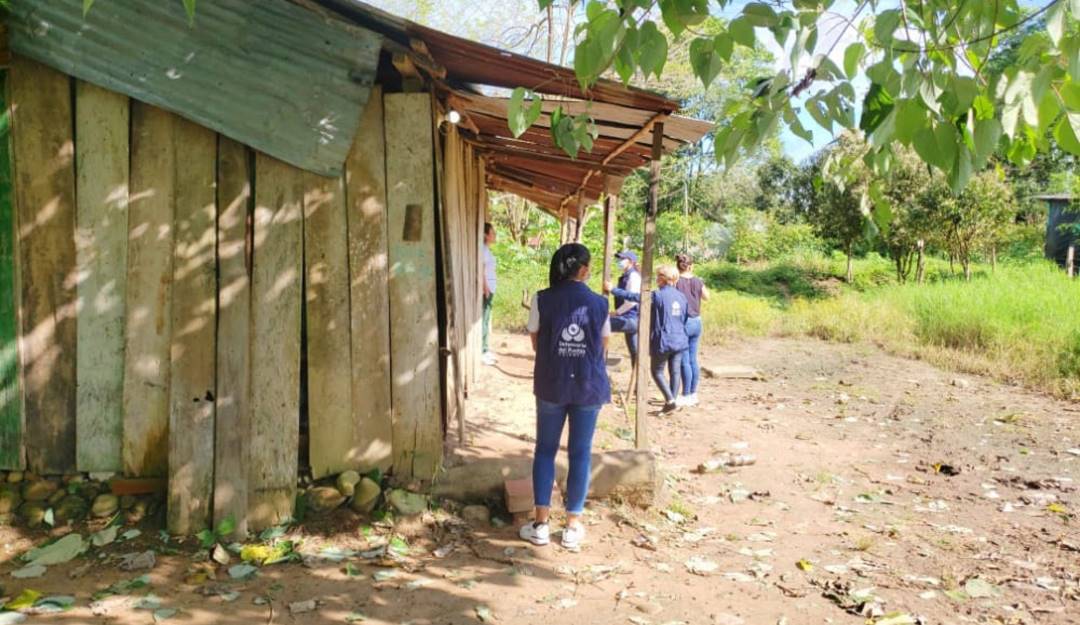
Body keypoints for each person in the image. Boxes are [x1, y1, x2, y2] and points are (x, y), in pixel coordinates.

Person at [520, 243, 611, 551]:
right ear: (583, 270)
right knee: (580, 453)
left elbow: (536, 343)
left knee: (545, 450)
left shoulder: (541, 299)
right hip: (588, 387)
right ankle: (572, 527)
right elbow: (603, 347)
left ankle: (541, 525)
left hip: (551, 385)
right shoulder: (600, 303)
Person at [649, 265, 689, 413]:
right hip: (680, 339)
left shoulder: (657, 295)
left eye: (658, 275)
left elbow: (637, 298)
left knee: (656, 371)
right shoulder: (682, 296)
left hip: (663, 340)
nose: (656, 278)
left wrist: (615, 291)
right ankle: (671, 403)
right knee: (675, 371)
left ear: (663, 278)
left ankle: (670, 400)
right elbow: (684, 317)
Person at [674, 253, 709, 407]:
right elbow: (707, 297)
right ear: (691, 266)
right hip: (697, 321)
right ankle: (694, 393)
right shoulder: (698, 281)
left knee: (684, 360)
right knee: (693, 359)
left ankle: (686, 394)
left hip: (683, 322)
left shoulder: (676, 282)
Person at [604, 250, 642, 367]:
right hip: (630, 317)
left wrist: (616, 312)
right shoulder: (627, 276)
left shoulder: (634, 276)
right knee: (635, 352)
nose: (619, 261)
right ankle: (638, 377)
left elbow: (632, 301)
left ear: (630, 262)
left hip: (631, 318)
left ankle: (600, 361)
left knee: (602, 324)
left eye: (622, 259)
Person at [481, 223, 497, 366]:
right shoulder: (483, 250)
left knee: (486, 319)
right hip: (487, 289)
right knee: (484, 319)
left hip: (490, 288)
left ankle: (485, 349)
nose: (494, 235)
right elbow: (481, 270)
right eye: (492, 232)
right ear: (486, 235)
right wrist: (485, 287)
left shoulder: (487, 250)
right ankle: (483, 351)